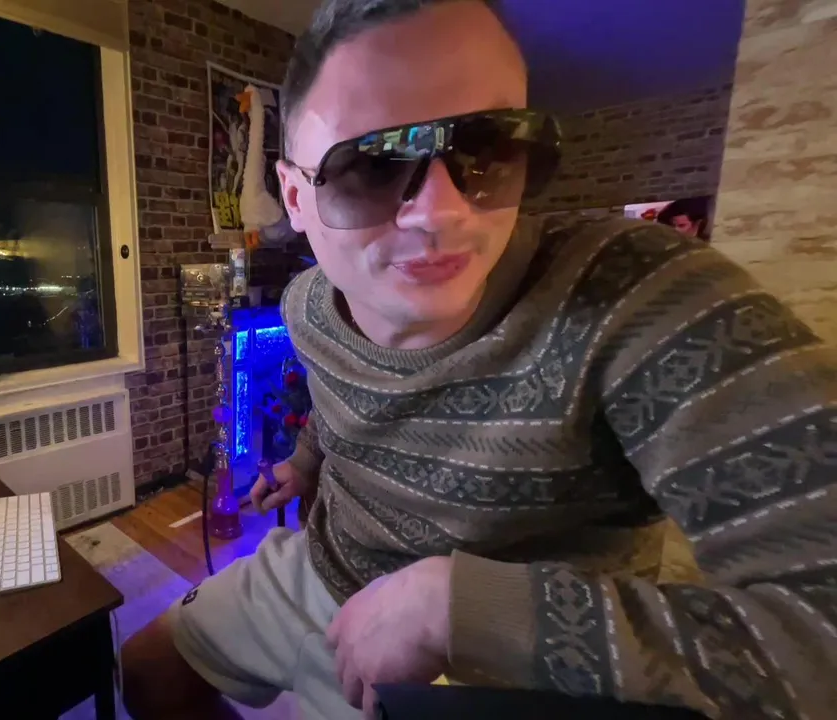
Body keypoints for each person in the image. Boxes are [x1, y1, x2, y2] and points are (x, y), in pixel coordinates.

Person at [120, 1, 837, 719]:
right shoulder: (306, 306)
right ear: (295, 197)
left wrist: (458, 610)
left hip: (504, 666)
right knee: (148, 668)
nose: (442, 211)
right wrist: (305, 464)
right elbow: (337, 403)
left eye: (487, 151)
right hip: (324, 567)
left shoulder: (640, 299)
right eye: (371, 165)